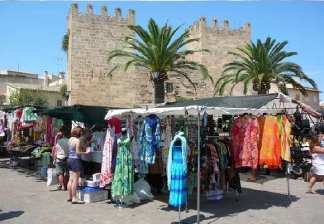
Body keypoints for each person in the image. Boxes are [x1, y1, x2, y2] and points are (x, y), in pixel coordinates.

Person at [67, 126, 90, 204]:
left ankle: (70, 196)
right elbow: (77, 152)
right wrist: (85, 152)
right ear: (79, 132)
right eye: (81, 132)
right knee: (75, 180)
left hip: (69, 159)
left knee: (70, 179)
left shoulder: (70, 140)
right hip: (75, 160)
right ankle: (74, 198)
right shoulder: (77, 141)